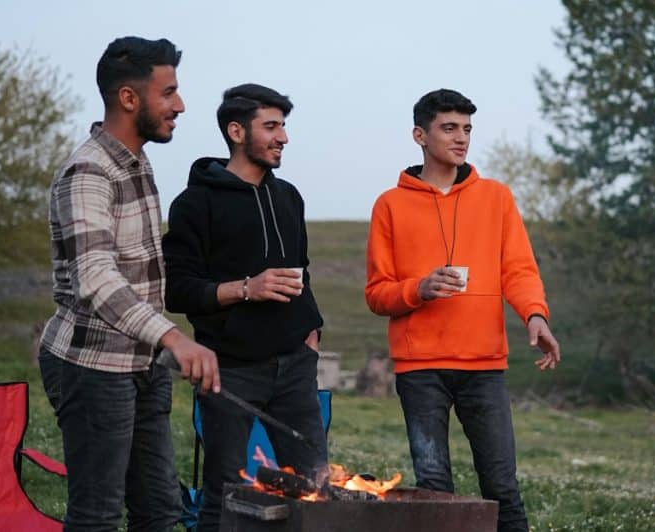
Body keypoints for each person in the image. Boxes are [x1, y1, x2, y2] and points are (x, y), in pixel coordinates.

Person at [37, 36, 220, 531]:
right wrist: (173, 337)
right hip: (92, 366)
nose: (180, 105)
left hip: (143, 363)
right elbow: (95, 278)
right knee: (97, 515)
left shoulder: (136, 162)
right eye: (169, 93)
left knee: (160, 510)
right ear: (128, 98)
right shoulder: (87, 173)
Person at [365, 89, 561, 532]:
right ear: (420, 135)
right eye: (449, 128)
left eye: (467, 129)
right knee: (435, 493)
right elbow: (377, 294)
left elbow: (519, 270)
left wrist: (535, 315)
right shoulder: (389, 205)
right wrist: (419, 288)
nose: (461, 138)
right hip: (420, 369)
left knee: (502, 488)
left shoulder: (496, 198)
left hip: (484, 366)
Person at [162, 83, 327, 532]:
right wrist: (246, 289)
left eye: (283, 126)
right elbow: (177, 290)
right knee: (224, 494)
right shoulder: (195, 203)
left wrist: (311, 334)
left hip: (295, 368)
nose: (283, 137)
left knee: (315, 488)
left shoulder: (288, 196)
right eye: (271, 126)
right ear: (236, 131)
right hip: (228, 370)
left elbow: (303, 270)